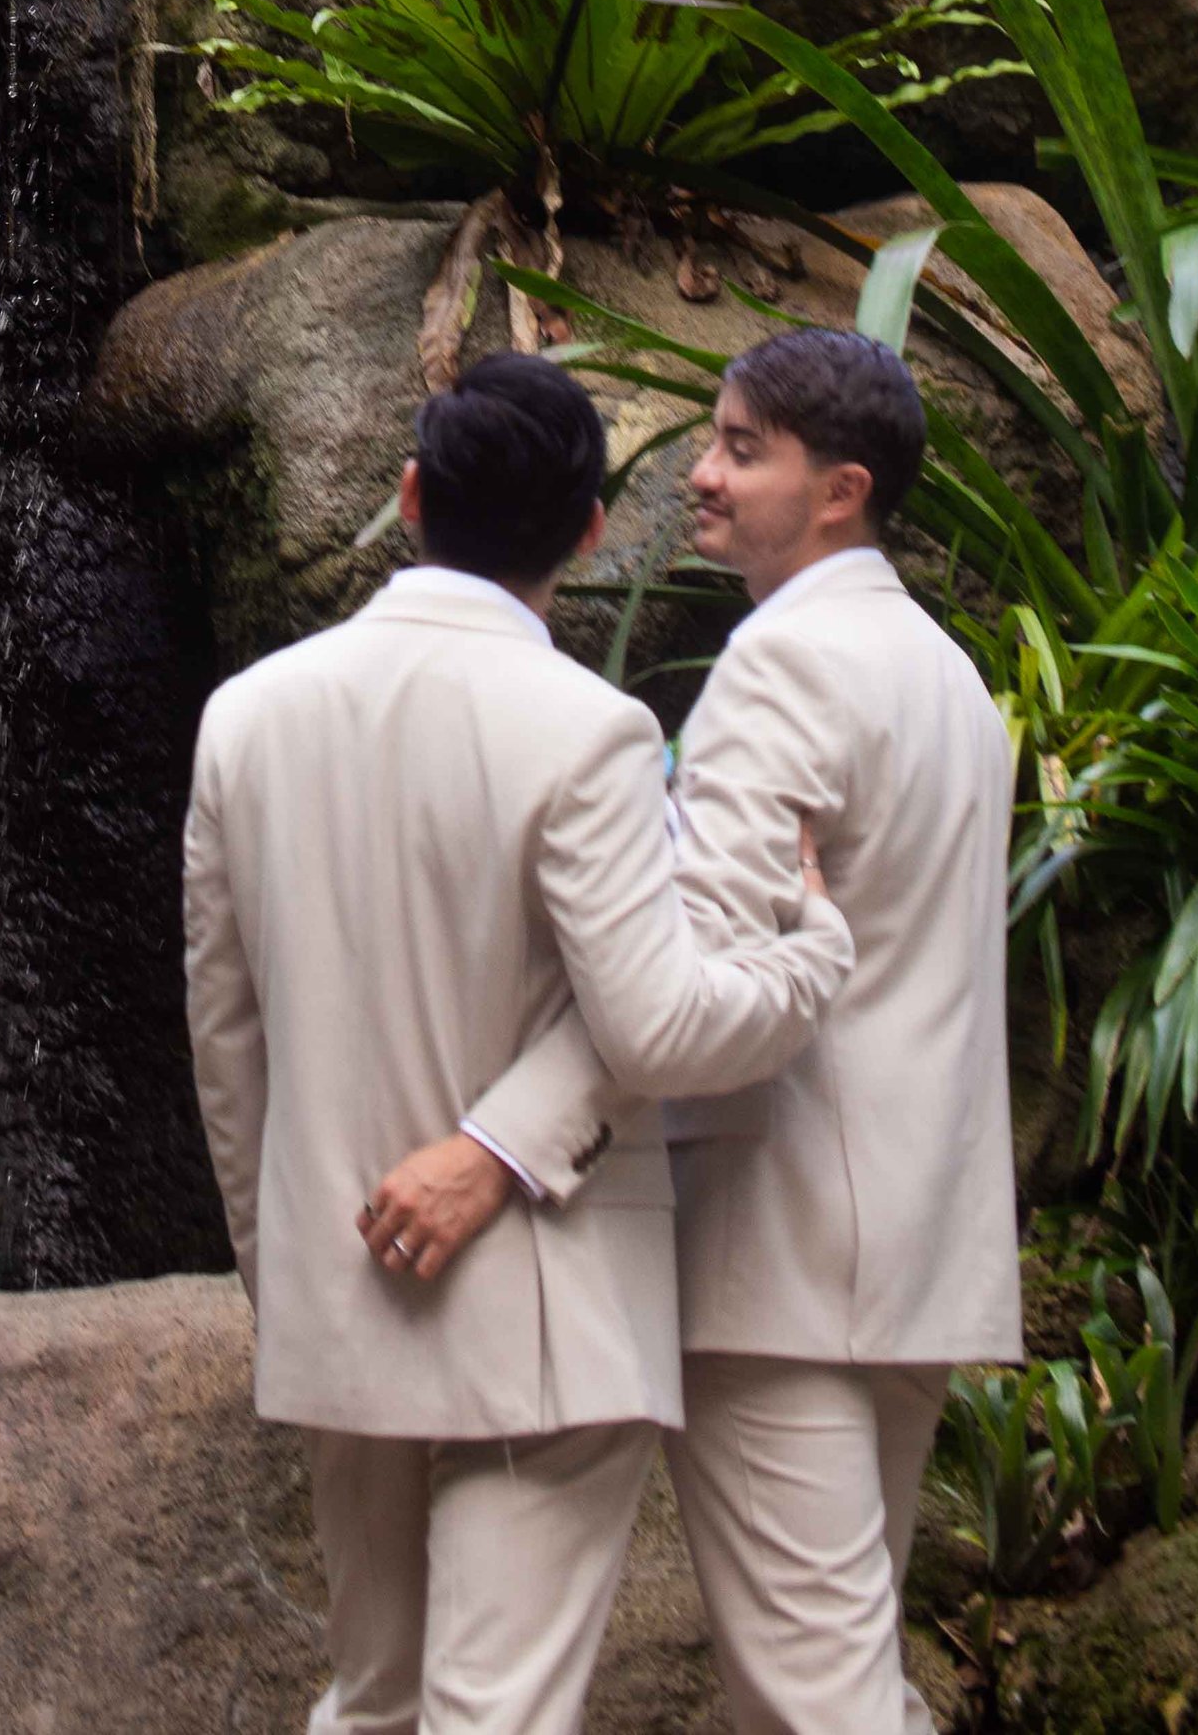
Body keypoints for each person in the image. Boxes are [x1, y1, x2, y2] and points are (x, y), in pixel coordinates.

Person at [183, 349, 857, 1735]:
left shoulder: (242, 718)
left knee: (370, 1701)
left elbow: (226, 1039)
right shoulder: (590, 729)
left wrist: (288, 1272)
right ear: (594, 532)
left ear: (412, 492)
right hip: (545, 1322)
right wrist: (808, 957)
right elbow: (656, 1022)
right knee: (495, 1714)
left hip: (339, 1288)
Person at [362, 326, 1022, 1735]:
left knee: (817, 1702)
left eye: (739, 447)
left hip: (780, 1257)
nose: (701, 476)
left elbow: (684, 985)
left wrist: (500, 1148)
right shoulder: (951, 675)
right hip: (919, 1254)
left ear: (839, 489)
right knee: (849, 1674)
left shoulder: (780, 671)